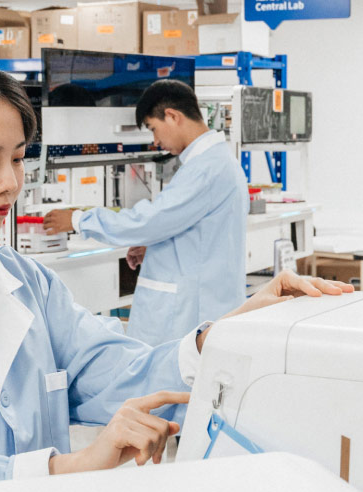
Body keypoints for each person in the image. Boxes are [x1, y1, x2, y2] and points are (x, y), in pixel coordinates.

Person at [0, 56, 350, 492]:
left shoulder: (29, 285)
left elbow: (115, 374)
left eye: (18, 159)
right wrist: (67, 468)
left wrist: (221, 337)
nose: (10, 183)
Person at [40, 79, 248, 343]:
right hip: (209, 300)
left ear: (172, 116)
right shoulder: (218, 161)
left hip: (193, 309)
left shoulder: (205, 169)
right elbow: (202, 236)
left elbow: (149, 221)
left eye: (153, 129)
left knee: (164, 368)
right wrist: (158, 247)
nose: (156, 141)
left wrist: (79, 220)